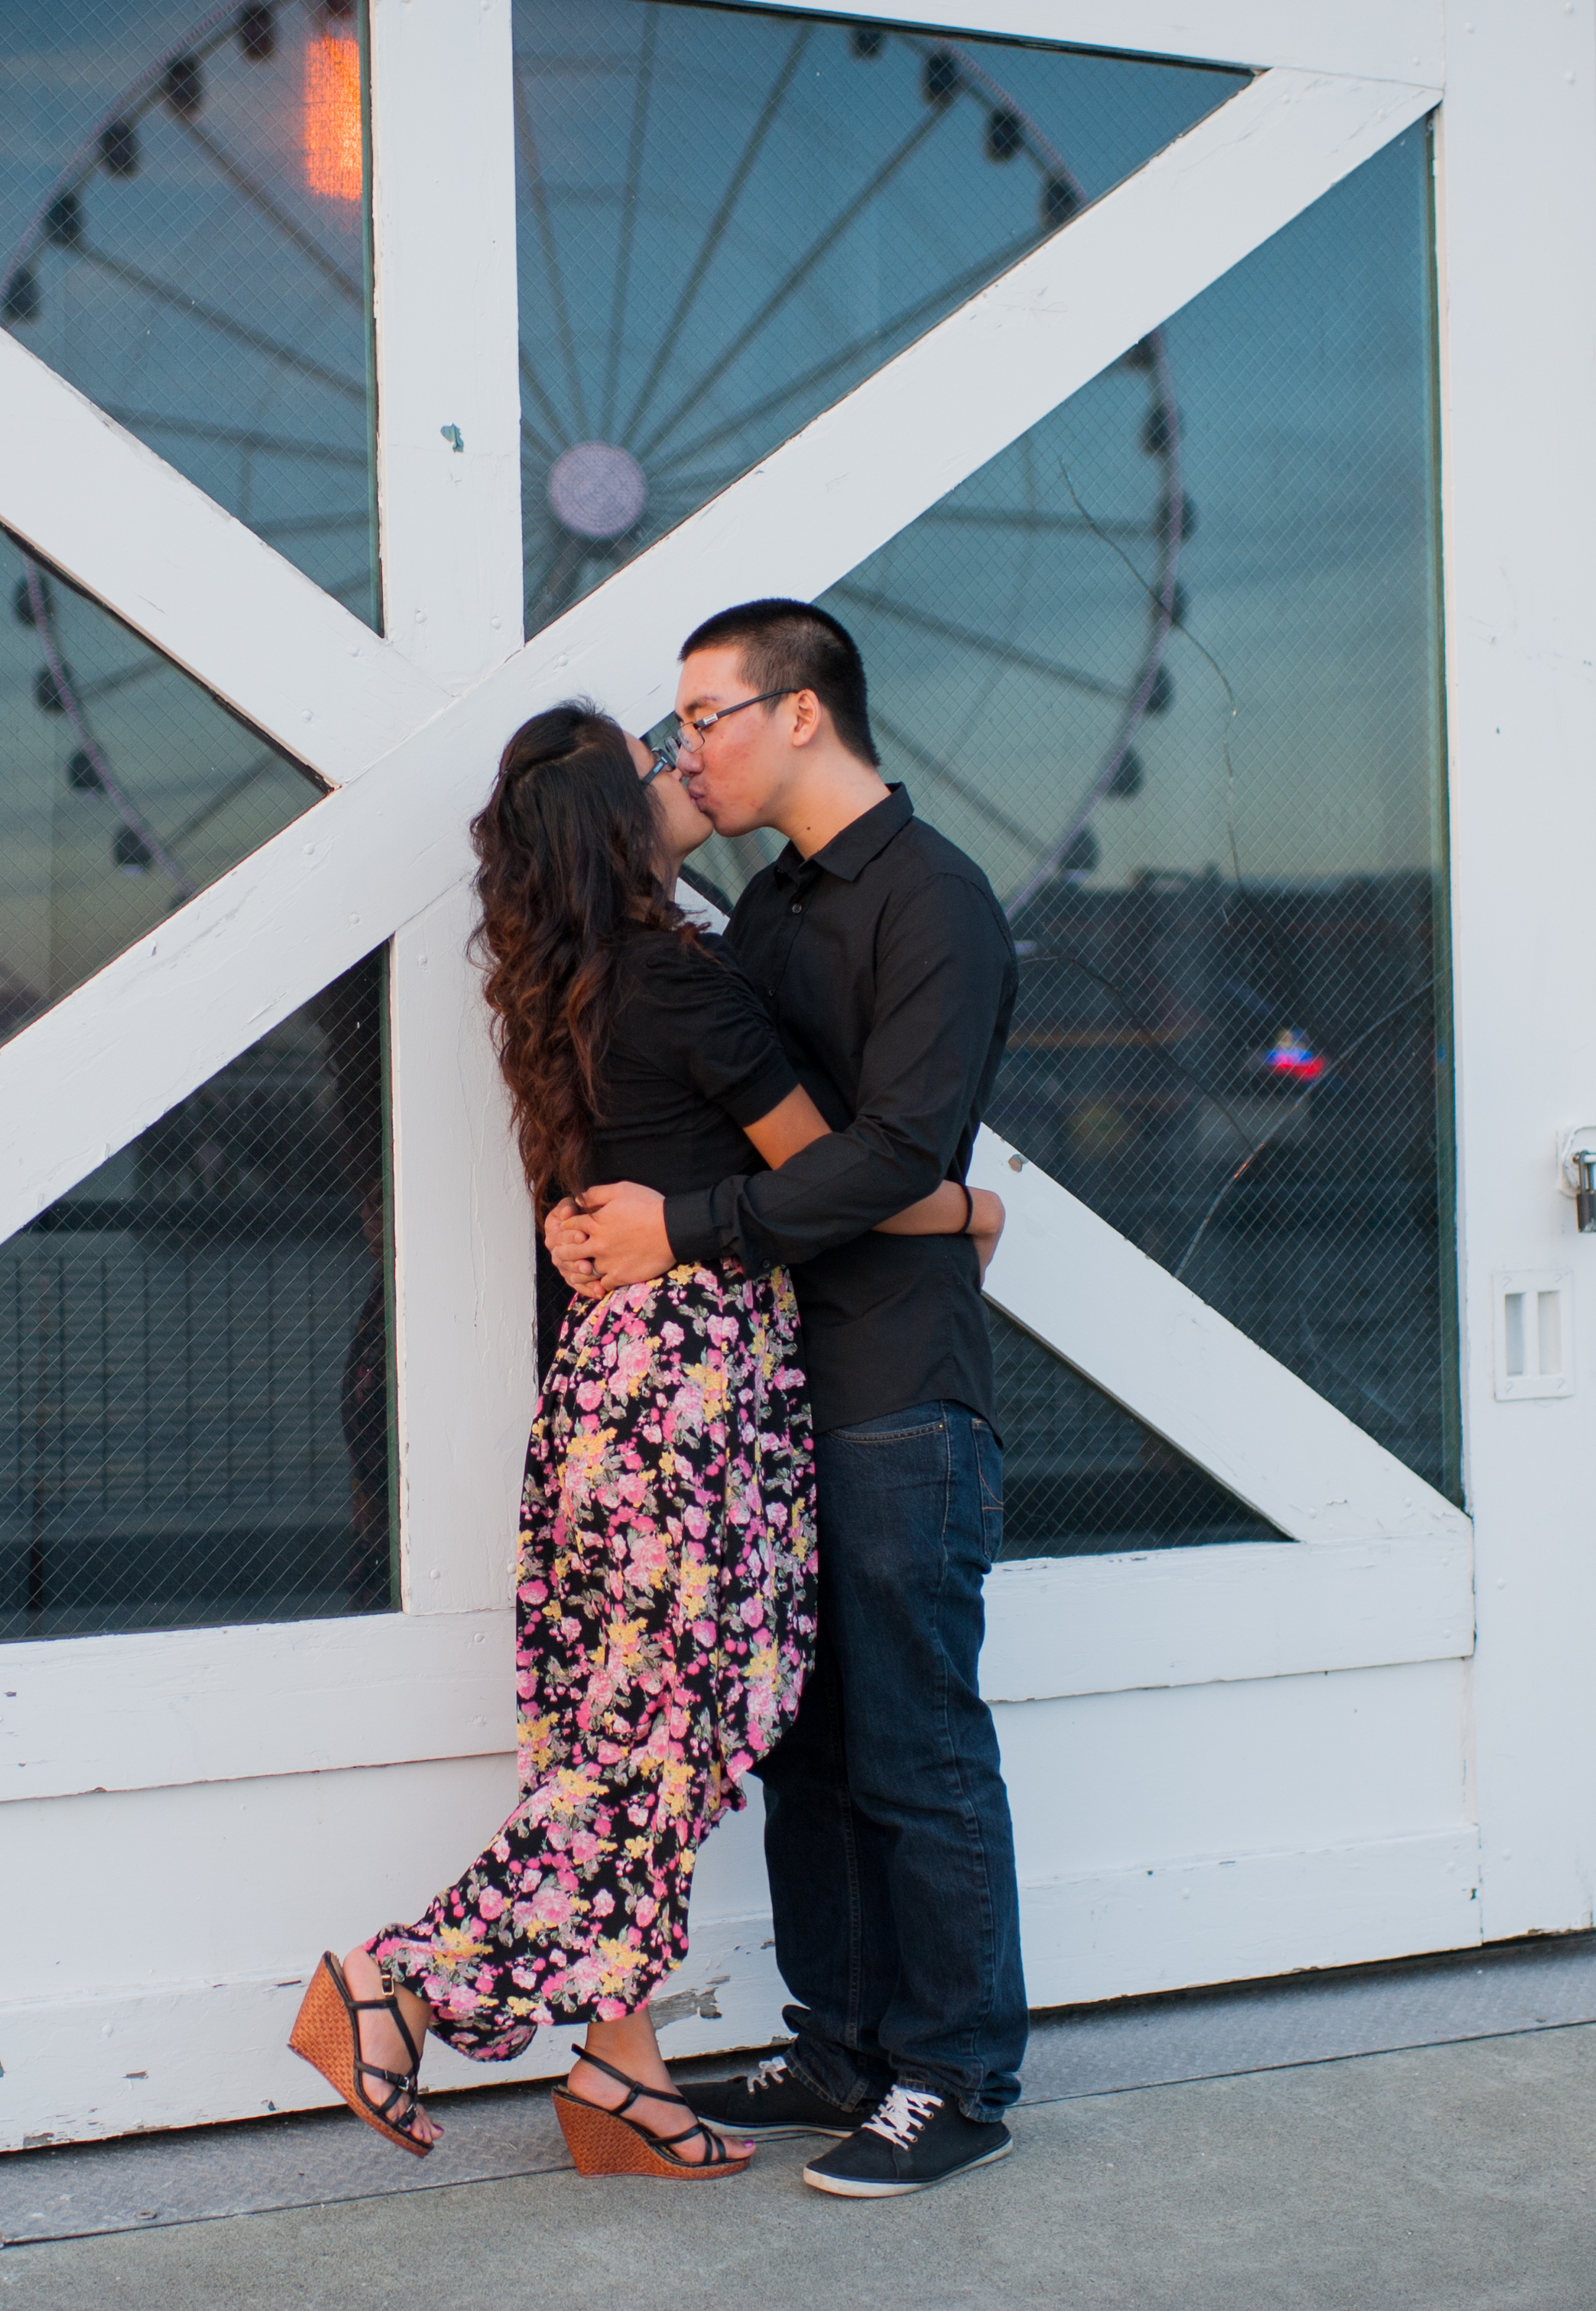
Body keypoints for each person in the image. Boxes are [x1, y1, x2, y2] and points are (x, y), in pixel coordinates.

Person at [286, 703, 1001, 2180]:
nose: (686, 772)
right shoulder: (686, 983)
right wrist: (976, 1214)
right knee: (665, 1741)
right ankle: (398, 1980)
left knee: (623, 1727)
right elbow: (840, 1177)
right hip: (695, 1399)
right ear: (622, 825)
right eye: (655, 768)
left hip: (606, 1400)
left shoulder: (565, 987)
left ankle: (620, 2073)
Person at [547, 601, 1026, 2199]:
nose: (685, 749)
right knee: (806, 1749)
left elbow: (892, 1153)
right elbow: (715, 1116)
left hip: (894, 1388)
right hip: (766, 1396)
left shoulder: (934, 903)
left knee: (916, 1744)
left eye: (707, 715)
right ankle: (840, 2043)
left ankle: (953, 2078)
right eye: (674, 726)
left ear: (802, 711)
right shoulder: (764, 914)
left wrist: (683, 1230)